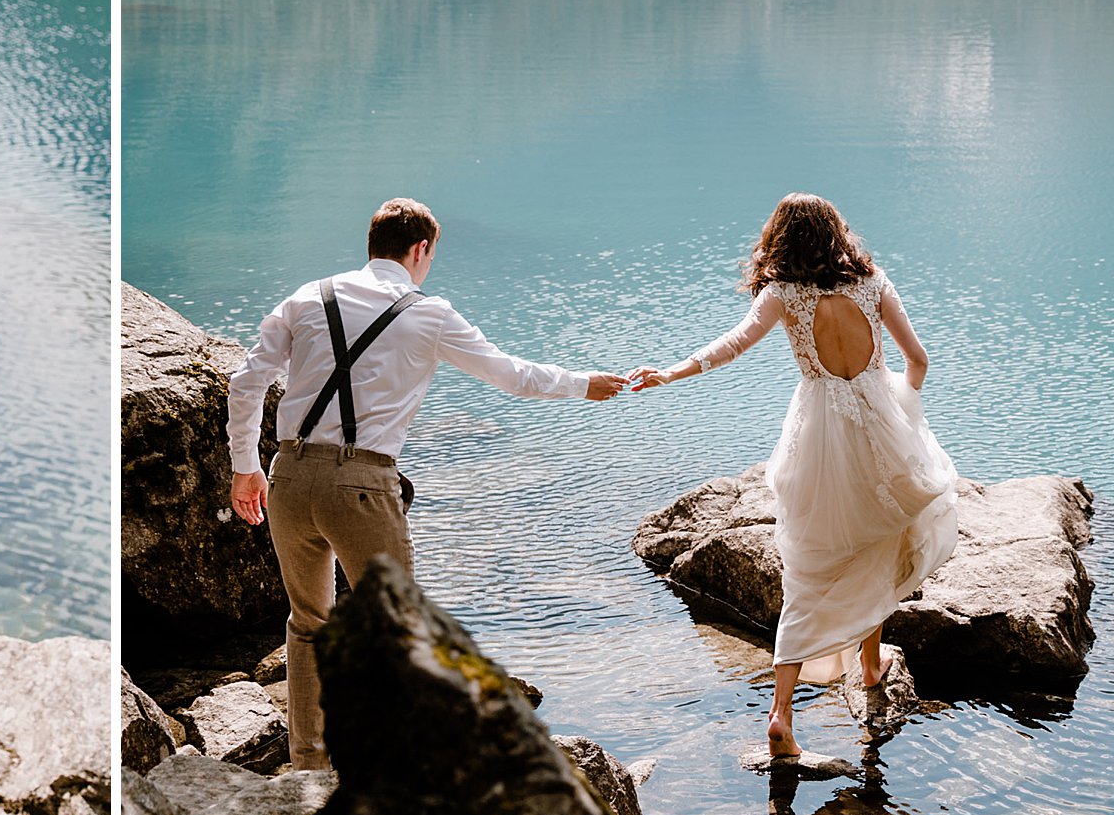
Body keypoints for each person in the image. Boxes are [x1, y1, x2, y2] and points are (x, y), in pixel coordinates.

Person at [225, 197, 626, 772]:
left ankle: (308, 768)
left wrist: (247, 466)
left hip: (288, 477)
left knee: (309, 622)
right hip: (361, 487)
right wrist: (583, 383)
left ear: (372, 244)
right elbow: (511, 374)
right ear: (420, 250)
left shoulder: (307, 297)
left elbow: (247, 382)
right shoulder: (429, 314)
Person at [628, 194, 960, 762]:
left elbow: (731, 346)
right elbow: (920, 359)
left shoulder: (782, 294)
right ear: (838, 233)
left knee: (809, 567)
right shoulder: (874, 283)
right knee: (881, 538)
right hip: (881, 426)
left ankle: (781, 714)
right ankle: (870, 664)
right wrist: (905, 413)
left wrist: (667, 374)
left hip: (818, 436)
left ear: (779, 239)